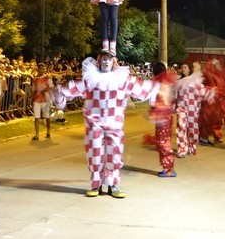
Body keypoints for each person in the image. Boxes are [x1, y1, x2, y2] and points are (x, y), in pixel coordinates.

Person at [53, 51, 159, 198]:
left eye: (109, 59)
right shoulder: (91, 79)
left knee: (114, 153)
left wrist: (156, 89)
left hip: (114, 124)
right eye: (104, 59)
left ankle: (112, 184)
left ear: (114, 62)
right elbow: (70, 89)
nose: (106, 62)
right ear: (99, 61)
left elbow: (141, 88)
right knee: (95, 153)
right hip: (94, 124)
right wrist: (58, 92)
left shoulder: (122, 79)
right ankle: (96, 184)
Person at [174, 61, 214, 157]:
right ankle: (182, 149)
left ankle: (192, 146)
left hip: (193, 109)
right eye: (182, 67)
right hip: (181, 108)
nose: (183, 69)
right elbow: (175, 96)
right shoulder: (179, 83)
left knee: (192, 129)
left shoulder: (197, 82)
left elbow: (205, 94)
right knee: (181, 128)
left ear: (190, 70)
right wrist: (173, 107)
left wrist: (213, 92)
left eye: (185, 67)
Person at [150, 62, 178, 177]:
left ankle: (169, 169)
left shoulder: (160, 85)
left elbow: (157, 102)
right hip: (165, 117)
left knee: (163, 142)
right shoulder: (166, 83)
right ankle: (167, 167)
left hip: (162, 117)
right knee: (163, 141)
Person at [31, 62, 54, 140]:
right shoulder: (35, 79)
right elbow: (33, 90)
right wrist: (32, 100)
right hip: (37, 99)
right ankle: (37, 134)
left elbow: (51, 87)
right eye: (41, 69)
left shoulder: (47, 78)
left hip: (45, 100)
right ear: (38, 69)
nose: (42, 70)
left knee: (47, 116)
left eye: (43, 69)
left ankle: (48, 132)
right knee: (36, 117)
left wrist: (46, 90)